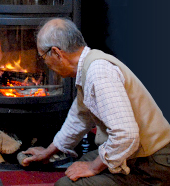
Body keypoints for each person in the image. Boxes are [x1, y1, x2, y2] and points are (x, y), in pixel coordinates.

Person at [22, 18, 170, 185]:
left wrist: (93, 167)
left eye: (43, 57)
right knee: (84, 160)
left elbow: (126, 135)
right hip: (139, 155)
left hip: (152, 165)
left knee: (64, 184)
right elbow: (80, 117)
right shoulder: (89, 65)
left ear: (56, 53)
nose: (45, 63)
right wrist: (48, 152)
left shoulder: (98, 72)